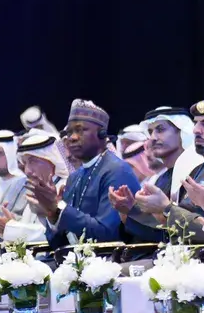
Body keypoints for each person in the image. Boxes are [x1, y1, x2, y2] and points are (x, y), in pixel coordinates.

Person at [129, 98, 204, 243]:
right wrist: (131, 209)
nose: (196, 130)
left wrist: (166, 209)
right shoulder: (200, 169)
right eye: (197, 123)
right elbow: (177, 220)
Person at [35, 99, 141, 248]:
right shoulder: (74, 177)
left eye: (80, 130)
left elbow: (108, 236)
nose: (72, 137)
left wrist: (59, 208)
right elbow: (56, 244)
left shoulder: (117, 171)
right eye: (69, 133)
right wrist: (52, 214)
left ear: (102, 134)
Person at [113, 106, 203, 243]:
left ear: (182, 133)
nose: (153, 138)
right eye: (150, 132)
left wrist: (164, 209)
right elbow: (157, 233)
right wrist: (129, 211)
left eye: (160, 130)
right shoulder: (160, 179)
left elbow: (195, 231)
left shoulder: (196, 172)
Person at [0, 132, 70, 244]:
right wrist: (7, 226)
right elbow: (30, 229)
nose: (27, 171)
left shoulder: (66, 187)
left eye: (33, 161)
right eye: (25, 163)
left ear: (51, 160)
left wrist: (9, 228)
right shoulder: (33, 189)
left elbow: (57, 235)